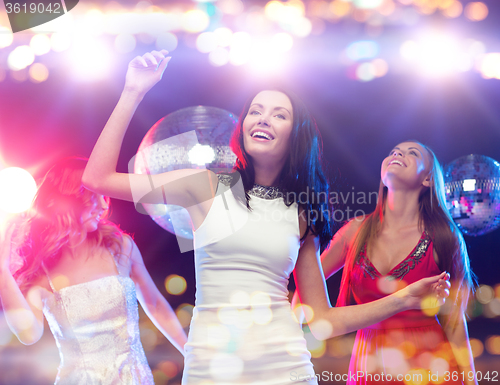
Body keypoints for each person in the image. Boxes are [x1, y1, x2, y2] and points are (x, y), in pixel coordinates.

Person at [82, 50, 451, 385]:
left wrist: (402, 300)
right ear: (243, 126)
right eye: (256, 111)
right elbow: (97, 178)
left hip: (286, 368)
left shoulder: (302, 212)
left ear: (296, 135)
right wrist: (133, 91)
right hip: (212, 368)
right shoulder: (205, 187)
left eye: (279, 114)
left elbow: (322, 322)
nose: (263, 119)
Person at [294, 141, 476, 384]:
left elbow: (454, 321)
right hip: (368, 368)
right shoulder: (354, 232)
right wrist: (291, 336)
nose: (398, 153)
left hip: (430, 368)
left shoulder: (445, 237)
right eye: (393, 151)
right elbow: (304, 292)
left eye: (413, 153)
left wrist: (471, 381)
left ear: (428, 180)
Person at [0, 157, 187, 385]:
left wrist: (192, 354)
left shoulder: (120, 247)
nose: (104, 205)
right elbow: (29, 335)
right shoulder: (41, 274)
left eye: (103, 195)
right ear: (67, 200)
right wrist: (2, 271)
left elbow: (155, 305)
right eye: (91, 196)